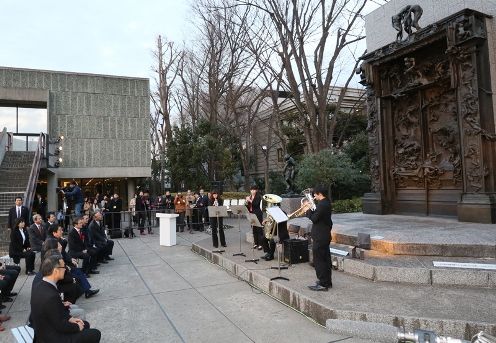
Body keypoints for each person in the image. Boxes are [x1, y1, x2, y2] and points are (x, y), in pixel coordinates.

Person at [30, 255, 101, 342]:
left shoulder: (41, 285)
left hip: (46, 330)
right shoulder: (51, 295)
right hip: (52, 338)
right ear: (56, 271)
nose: (65, 269)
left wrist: (70, 319)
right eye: (63, 267)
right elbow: (60, 325)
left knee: (85, 324)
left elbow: (56, 312)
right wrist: (77, 327)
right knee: (95, 333)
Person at [306, 185, 333, 291]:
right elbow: (318, 215)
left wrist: (307, 210)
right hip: (324, 235)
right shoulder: (326, 203)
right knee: (325, 259)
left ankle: (323, 283)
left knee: (319, 260)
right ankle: (327, 281)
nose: (314, 197)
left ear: (319, 194)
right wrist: (312, 209)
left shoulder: (322, 205)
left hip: (320, 236)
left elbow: (314, 218)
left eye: (315, 195)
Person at [245, 185, 263, 250]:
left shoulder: (258, 197)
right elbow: (247, 206)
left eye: (254, 190)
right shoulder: (250, 197)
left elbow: (255, 205)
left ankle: (261, 244)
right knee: (254, 229)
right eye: (251, 190)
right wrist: (246, 202)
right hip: (251, 214)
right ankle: (256, 243)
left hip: (258, 214)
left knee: (259, 229)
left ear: (256, 190)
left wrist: (249, 200)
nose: (252, 191)